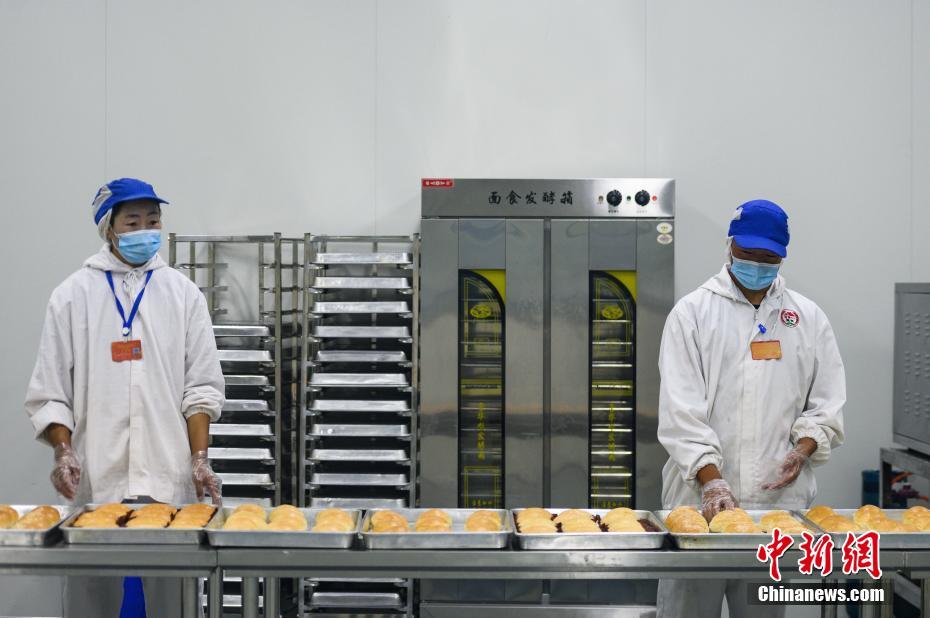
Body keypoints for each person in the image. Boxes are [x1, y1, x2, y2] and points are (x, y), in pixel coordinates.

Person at [25, 178, 225, 617]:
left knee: (173, 600)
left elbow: (202, 388)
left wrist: (199, 458)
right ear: (108, 228)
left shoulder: (182, 294)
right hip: (97, 475)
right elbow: (50, 392)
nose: (145, 231)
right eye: (132, 222)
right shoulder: (72, 296)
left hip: (167, 476)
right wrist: (63, 451)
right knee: (91, 598)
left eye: (153, 221)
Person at [655, 199, 845, 618]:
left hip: (774, 507)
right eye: (748, 253)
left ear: (783, 256)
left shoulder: (807, 318)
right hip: (697, 505)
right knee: (689, 610)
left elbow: (827, 403)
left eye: (768, 257)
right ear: (730, 246)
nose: (757, 264)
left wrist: (805, 448)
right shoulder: (693, 314)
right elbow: (680, 412)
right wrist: (712, 483)